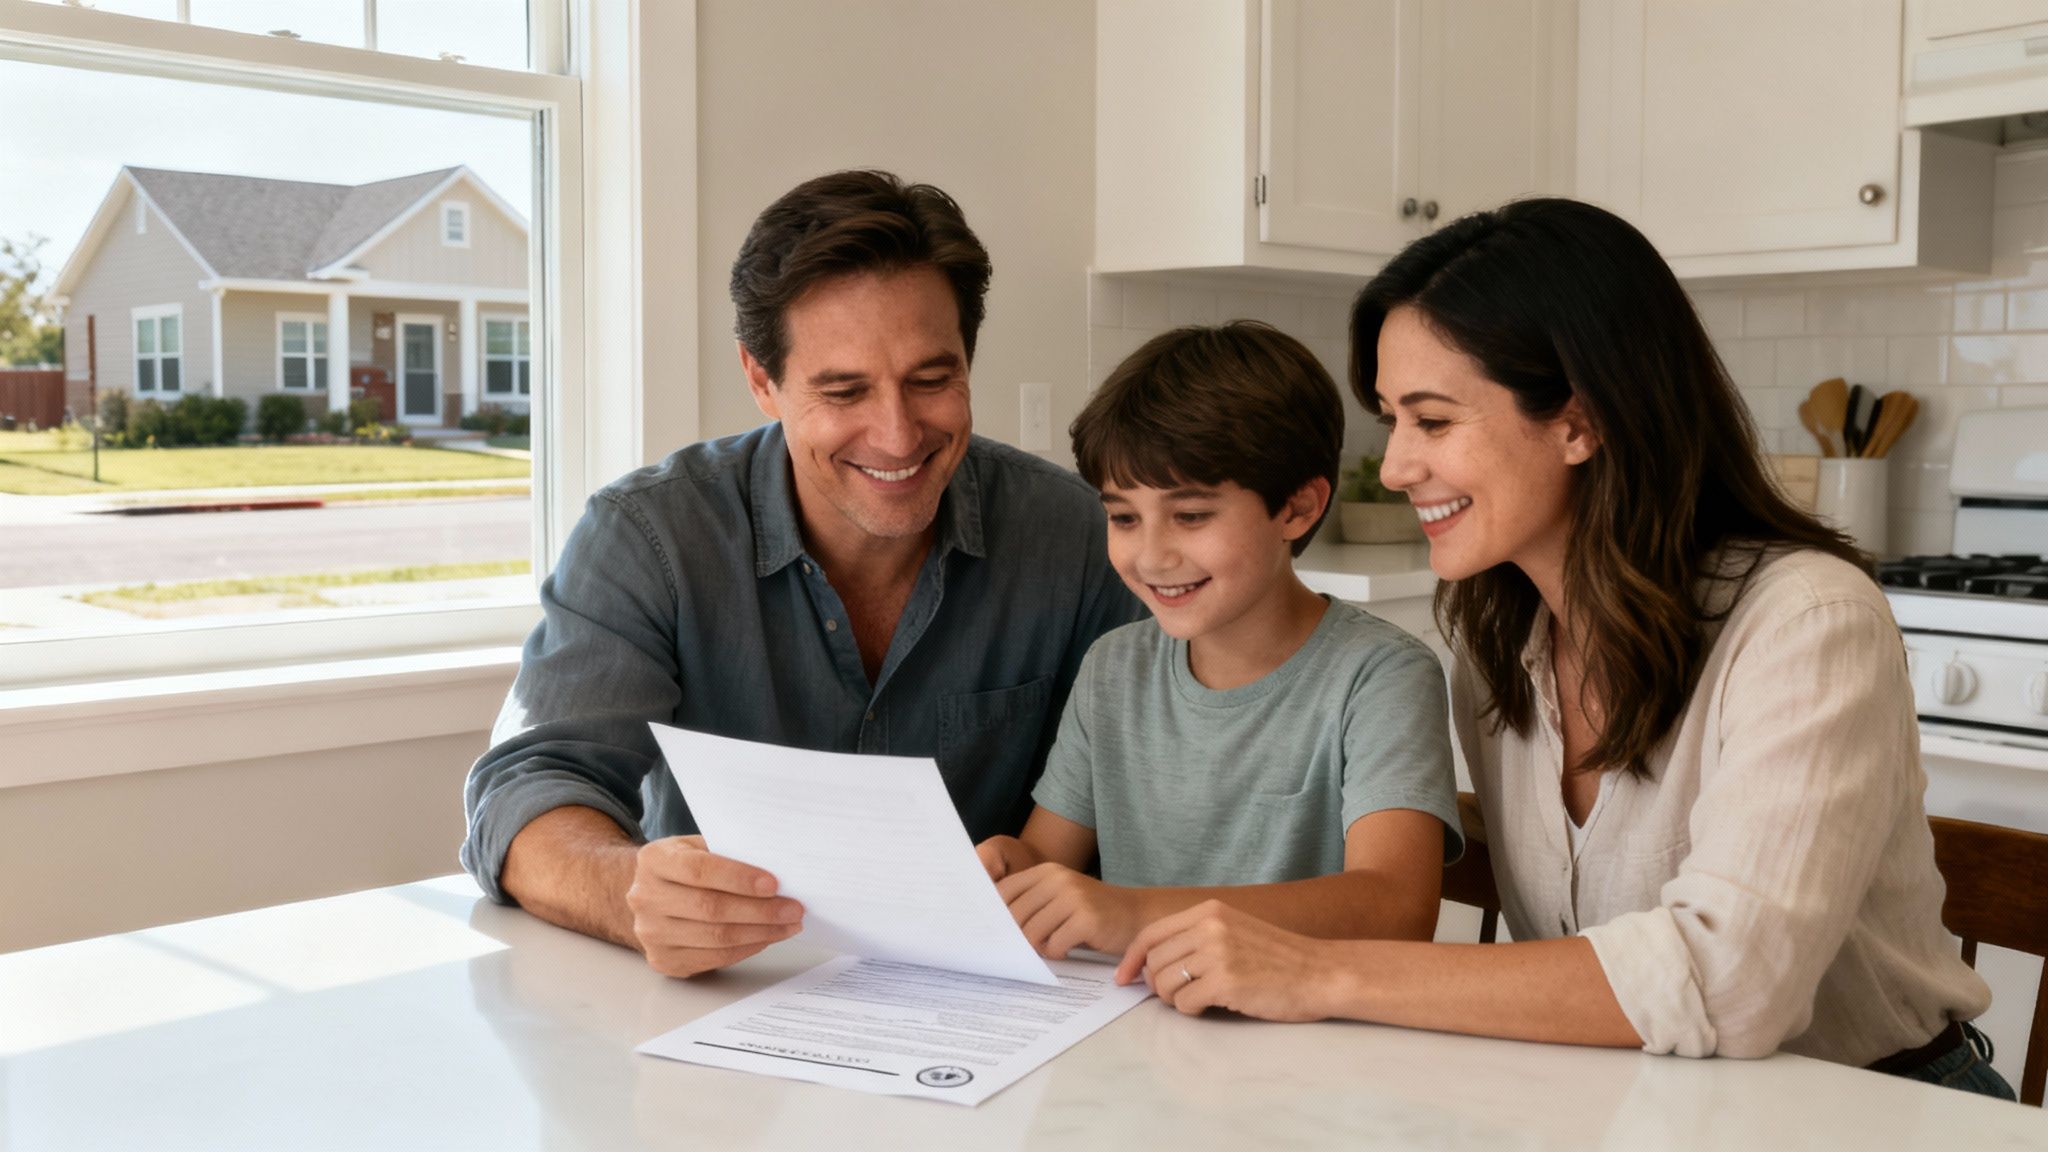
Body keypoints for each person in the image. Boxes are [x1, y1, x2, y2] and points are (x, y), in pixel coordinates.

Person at [1114, 198, 2015, 1099]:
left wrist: (1317, 971)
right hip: (1641, 1103)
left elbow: (1731, 981)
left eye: (1431, 421)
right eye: (1391, 419)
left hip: (1877, 1114)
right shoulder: (1496, 636)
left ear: (1578, 422)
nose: (1393, 467)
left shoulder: (1807, 622)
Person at [461, 170, 1144, 979]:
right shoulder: (651, 535)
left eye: (932, 379)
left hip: (1002, 1011)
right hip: (725, 1004)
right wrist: (628, 892)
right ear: (761, 379)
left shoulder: (1075, 537)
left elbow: (1155, 784)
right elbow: (528, 785)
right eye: (844, 390)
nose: (897, 436)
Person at [975, 321, 1461, 960]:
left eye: (1192, 515)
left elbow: (1396, 908)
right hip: (1140, 1031)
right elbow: (1044, 855)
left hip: (1308, 1040)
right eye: (1123, 517)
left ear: (1297, 509)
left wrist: (1132, 913)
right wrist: (1011, 866)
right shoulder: (1113, 669)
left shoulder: (1380, 676)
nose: (1151, 554)